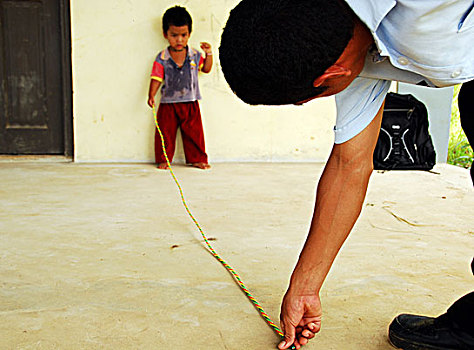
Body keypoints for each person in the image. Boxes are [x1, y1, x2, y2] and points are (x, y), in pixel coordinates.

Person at [219, 0, 474, 349]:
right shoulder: (342, 38)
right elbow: (349, 164)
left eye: (303, 99)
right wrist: (304, 287)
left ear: (329, 77)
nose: (304, 103)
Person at [148, 5, 213, 170]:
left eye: (183, 35)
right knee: (165, 133)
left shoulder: (194, 55)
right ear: (165, 35)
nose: (179, 40)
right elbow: (156, 77)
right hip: (168, 103)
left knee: (194, 133)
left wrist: (209, 54)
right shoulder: (162, 57)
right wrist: (151, 94)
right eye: (174, 35)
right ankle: (164, 159)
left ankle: (197, 158)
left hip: (190, 101)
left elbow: (205, 68)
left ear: (189, 34)